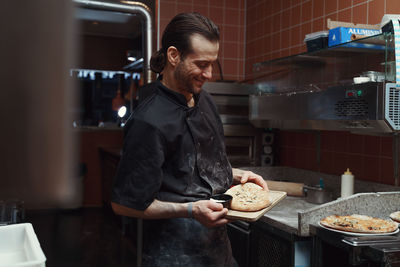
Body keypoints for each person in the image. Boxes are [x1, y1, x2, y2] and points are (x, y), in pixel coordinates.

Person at [111, 12, 268, 267]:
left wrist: (238, 175)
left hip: (219, 254)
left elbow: (194, 166)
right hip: (173, 256)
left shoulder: (204, 100)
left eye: (212, 64)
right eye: (201, 64)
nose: (208, 74)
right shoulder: (148, 121)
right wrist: (190, 210)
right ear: (174, 56)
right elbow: (124, 204)